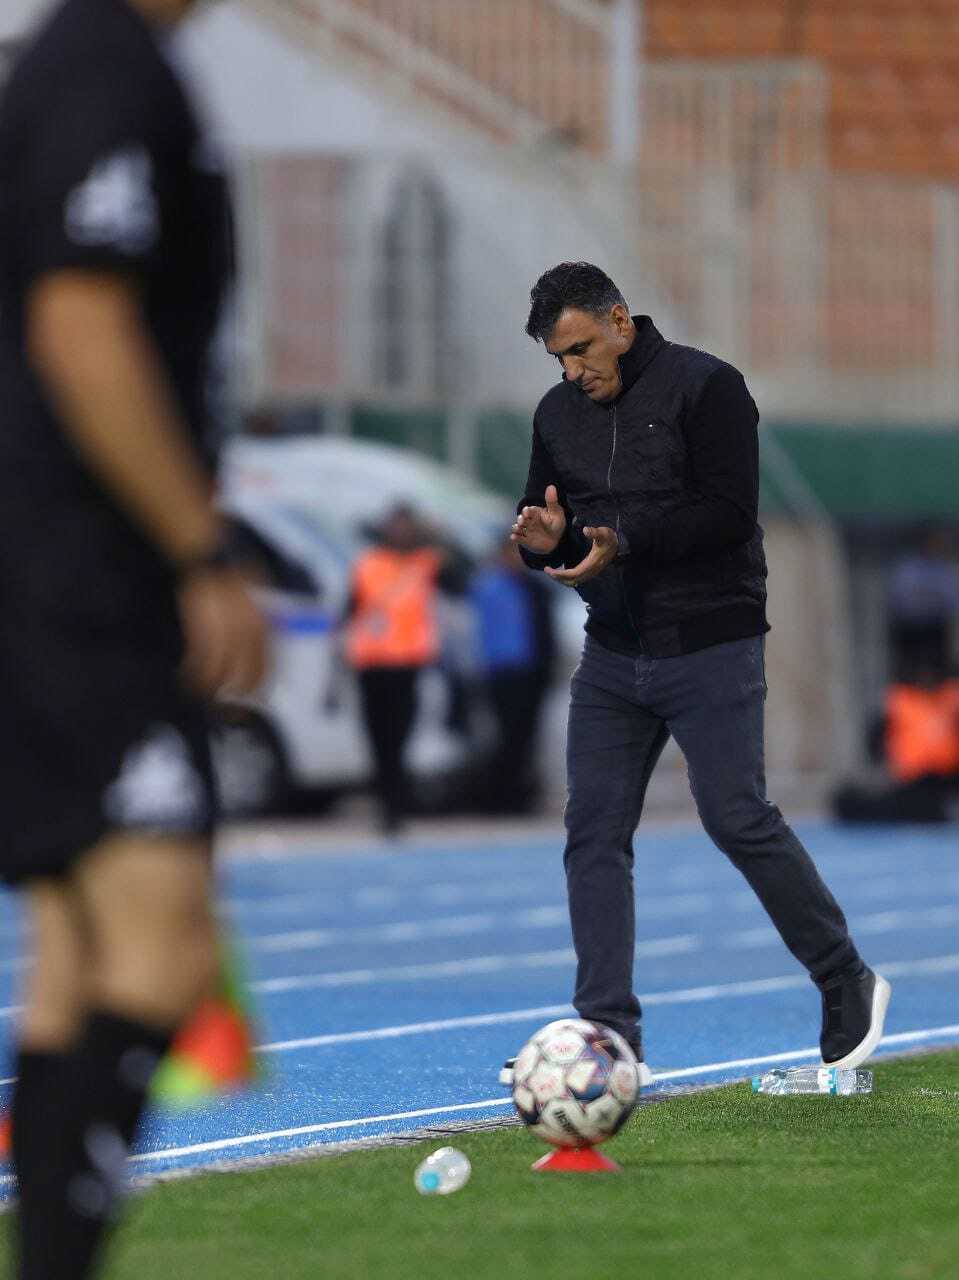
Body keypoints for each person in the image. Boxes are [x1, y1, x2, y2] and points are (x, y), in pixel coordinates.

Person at [0, 1, 269, 1276]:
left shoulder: (86, 60)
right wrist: (199, 552)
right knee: (162, 941)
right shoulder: (105, 66)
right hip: (81, 580)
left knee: (78, 951)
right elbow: (80, 323)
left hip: (52, 571)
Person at [507, 262, 890, 1080]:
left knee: (736, 817)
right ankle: (608, 1037)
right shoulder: (555, 413)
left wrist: (621, 543)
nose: (572, 372)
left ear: (619, 321)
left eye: (580, 349)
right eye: (559, 358)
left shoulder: (707, 386)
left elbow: (727, 514)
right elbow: (552, 525)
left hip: (709, 640)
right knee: (592, 834)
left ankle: (842, 976)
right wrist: (543, 543)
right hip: (613, 652)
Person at [344, 502, 450, 834]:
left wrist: (435, 533)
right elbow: (349, 609)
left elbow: (457, 575)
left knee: (400, 737)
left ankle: (396, 806)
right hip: (372, 664)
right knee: (378, 738)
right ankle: (386, 805)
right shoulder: (367, 564)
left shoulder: (425, 563)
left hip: (407, 665)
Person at [469, 538, 557, 813]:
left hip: (530, 669)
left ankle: (520, 792)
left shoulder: (533, 588)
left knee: (526, 735)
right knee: (507, 734)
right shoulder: (488, 585)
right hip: (501, 670)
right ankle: (502, 793)